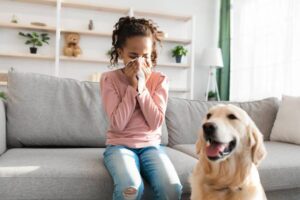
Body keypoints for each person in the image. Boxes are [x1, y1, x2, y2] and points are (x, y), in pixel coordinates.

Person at [100, 16, 182, 200]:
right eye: (133, 56)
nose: (139, 63)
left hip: (151, 146)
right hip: (119, 146)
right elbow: (118, 124)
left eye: (145, 56)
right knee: (130, 188)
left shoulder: (160, 80)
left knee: (172, 188)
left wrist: (142, 88)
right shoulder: (109, 79)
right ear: (121, 52)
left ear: (151, 53)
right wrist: (131, 87)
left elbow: (155, 123)